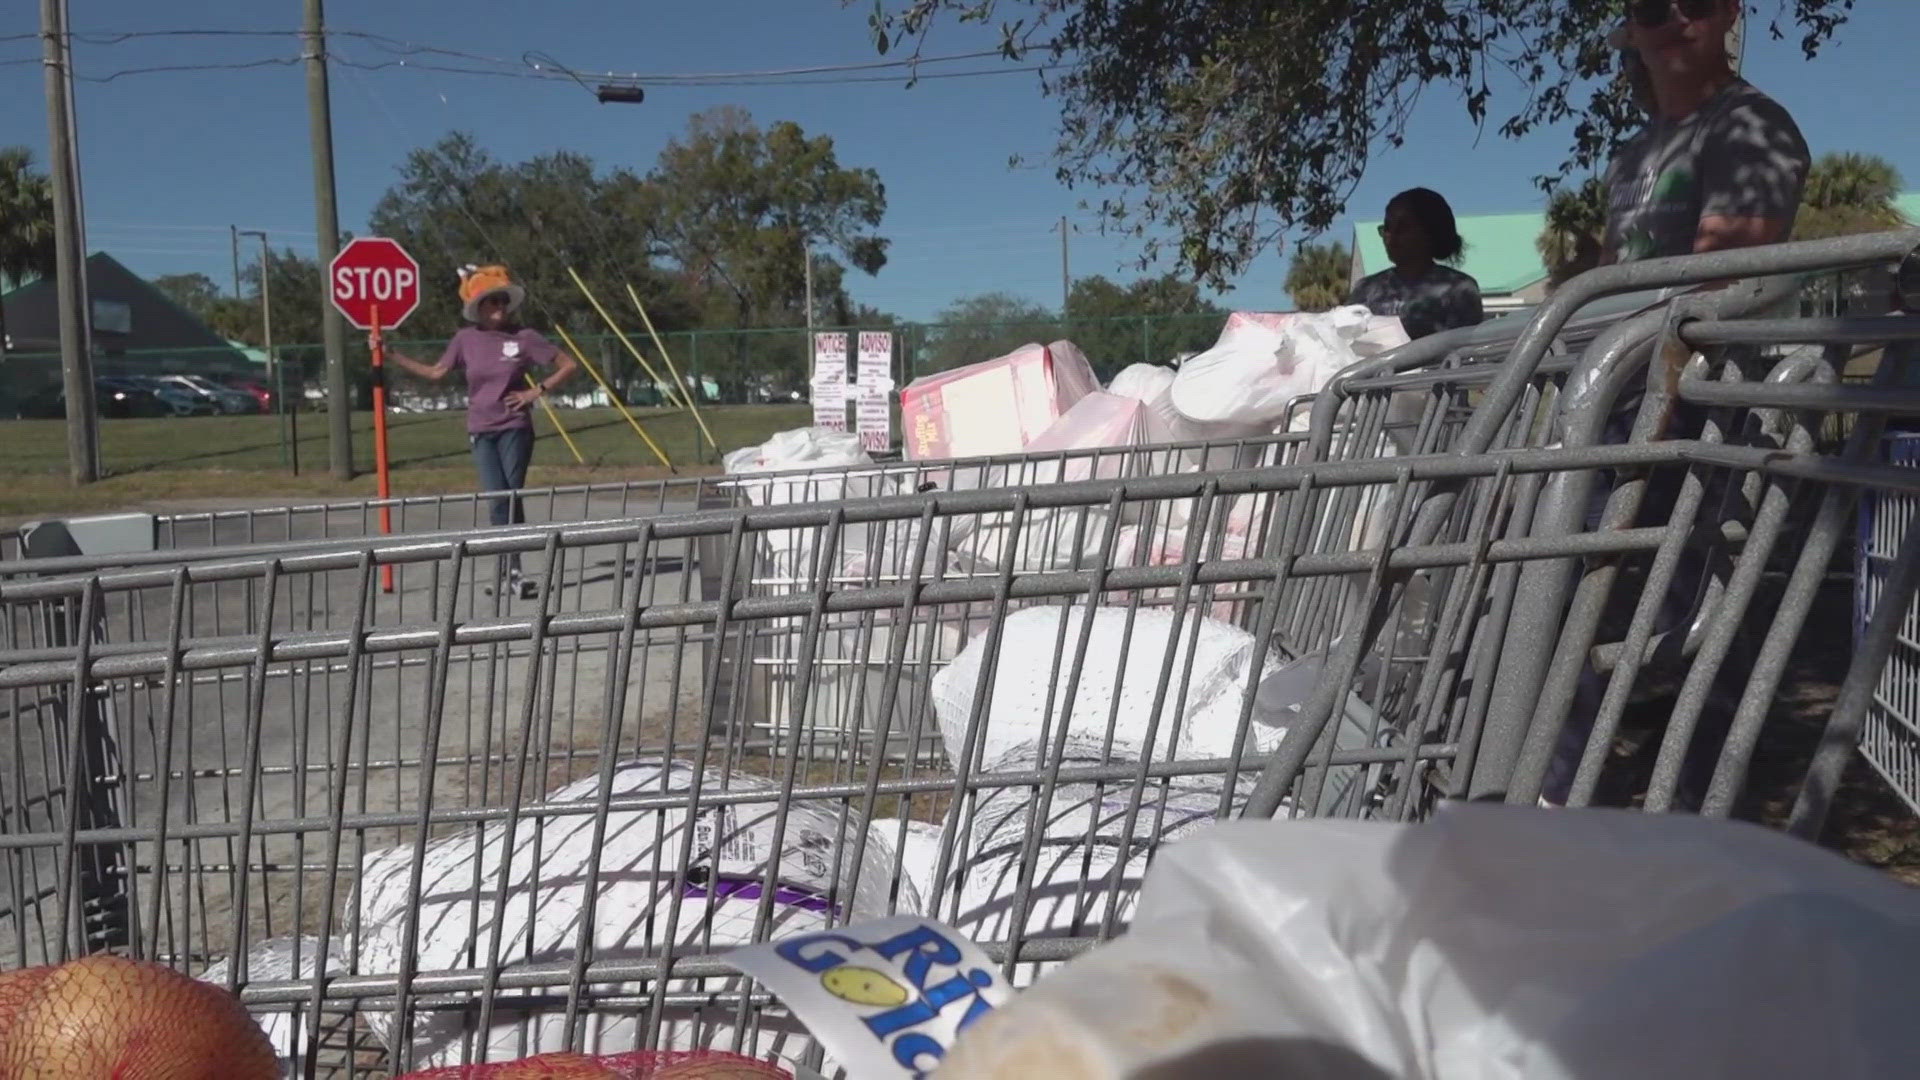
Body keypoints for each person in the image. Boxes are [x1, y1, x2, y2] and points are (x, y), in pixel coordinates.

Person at [1540, 0, 1811, 809]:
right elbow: (1619, 271)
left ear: (1729, 12)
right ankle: (1565, 784)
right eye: (1652, 7)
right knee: (1584, 591)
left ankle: (1688, 805)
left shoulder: (1754, 128)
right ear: (1628, 27)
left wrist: (1614, 329)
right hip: (1632, 397)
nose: (1674, 19)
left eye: (1696, 2)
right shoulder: (1634, 154)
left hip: (1707, 405)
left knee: (1702, 607)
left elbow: (1727, 278)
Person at [390, 264, 578, 599]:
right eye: (493, 302)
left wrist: (537, 391)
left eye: (504, 302)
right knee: (496, 499)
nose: (500, 308)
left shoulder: (524, 338)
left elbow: (568, 364)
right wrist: (392, 355)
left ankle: (515, 571)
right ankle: (506, 569)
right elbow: (436, 372)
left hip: (514, 427)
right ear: (479, 308)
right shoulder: (465, 339)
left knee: (510, 496)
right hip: (481, 428)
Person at [1348, 187, 1483, 339]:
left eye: (1402, 227)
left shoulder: (1459, 290)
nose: (1390, 236)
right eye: (1387, 228)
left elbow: (1464, 351)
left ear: (1429, 231)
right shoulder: (1365, 289)